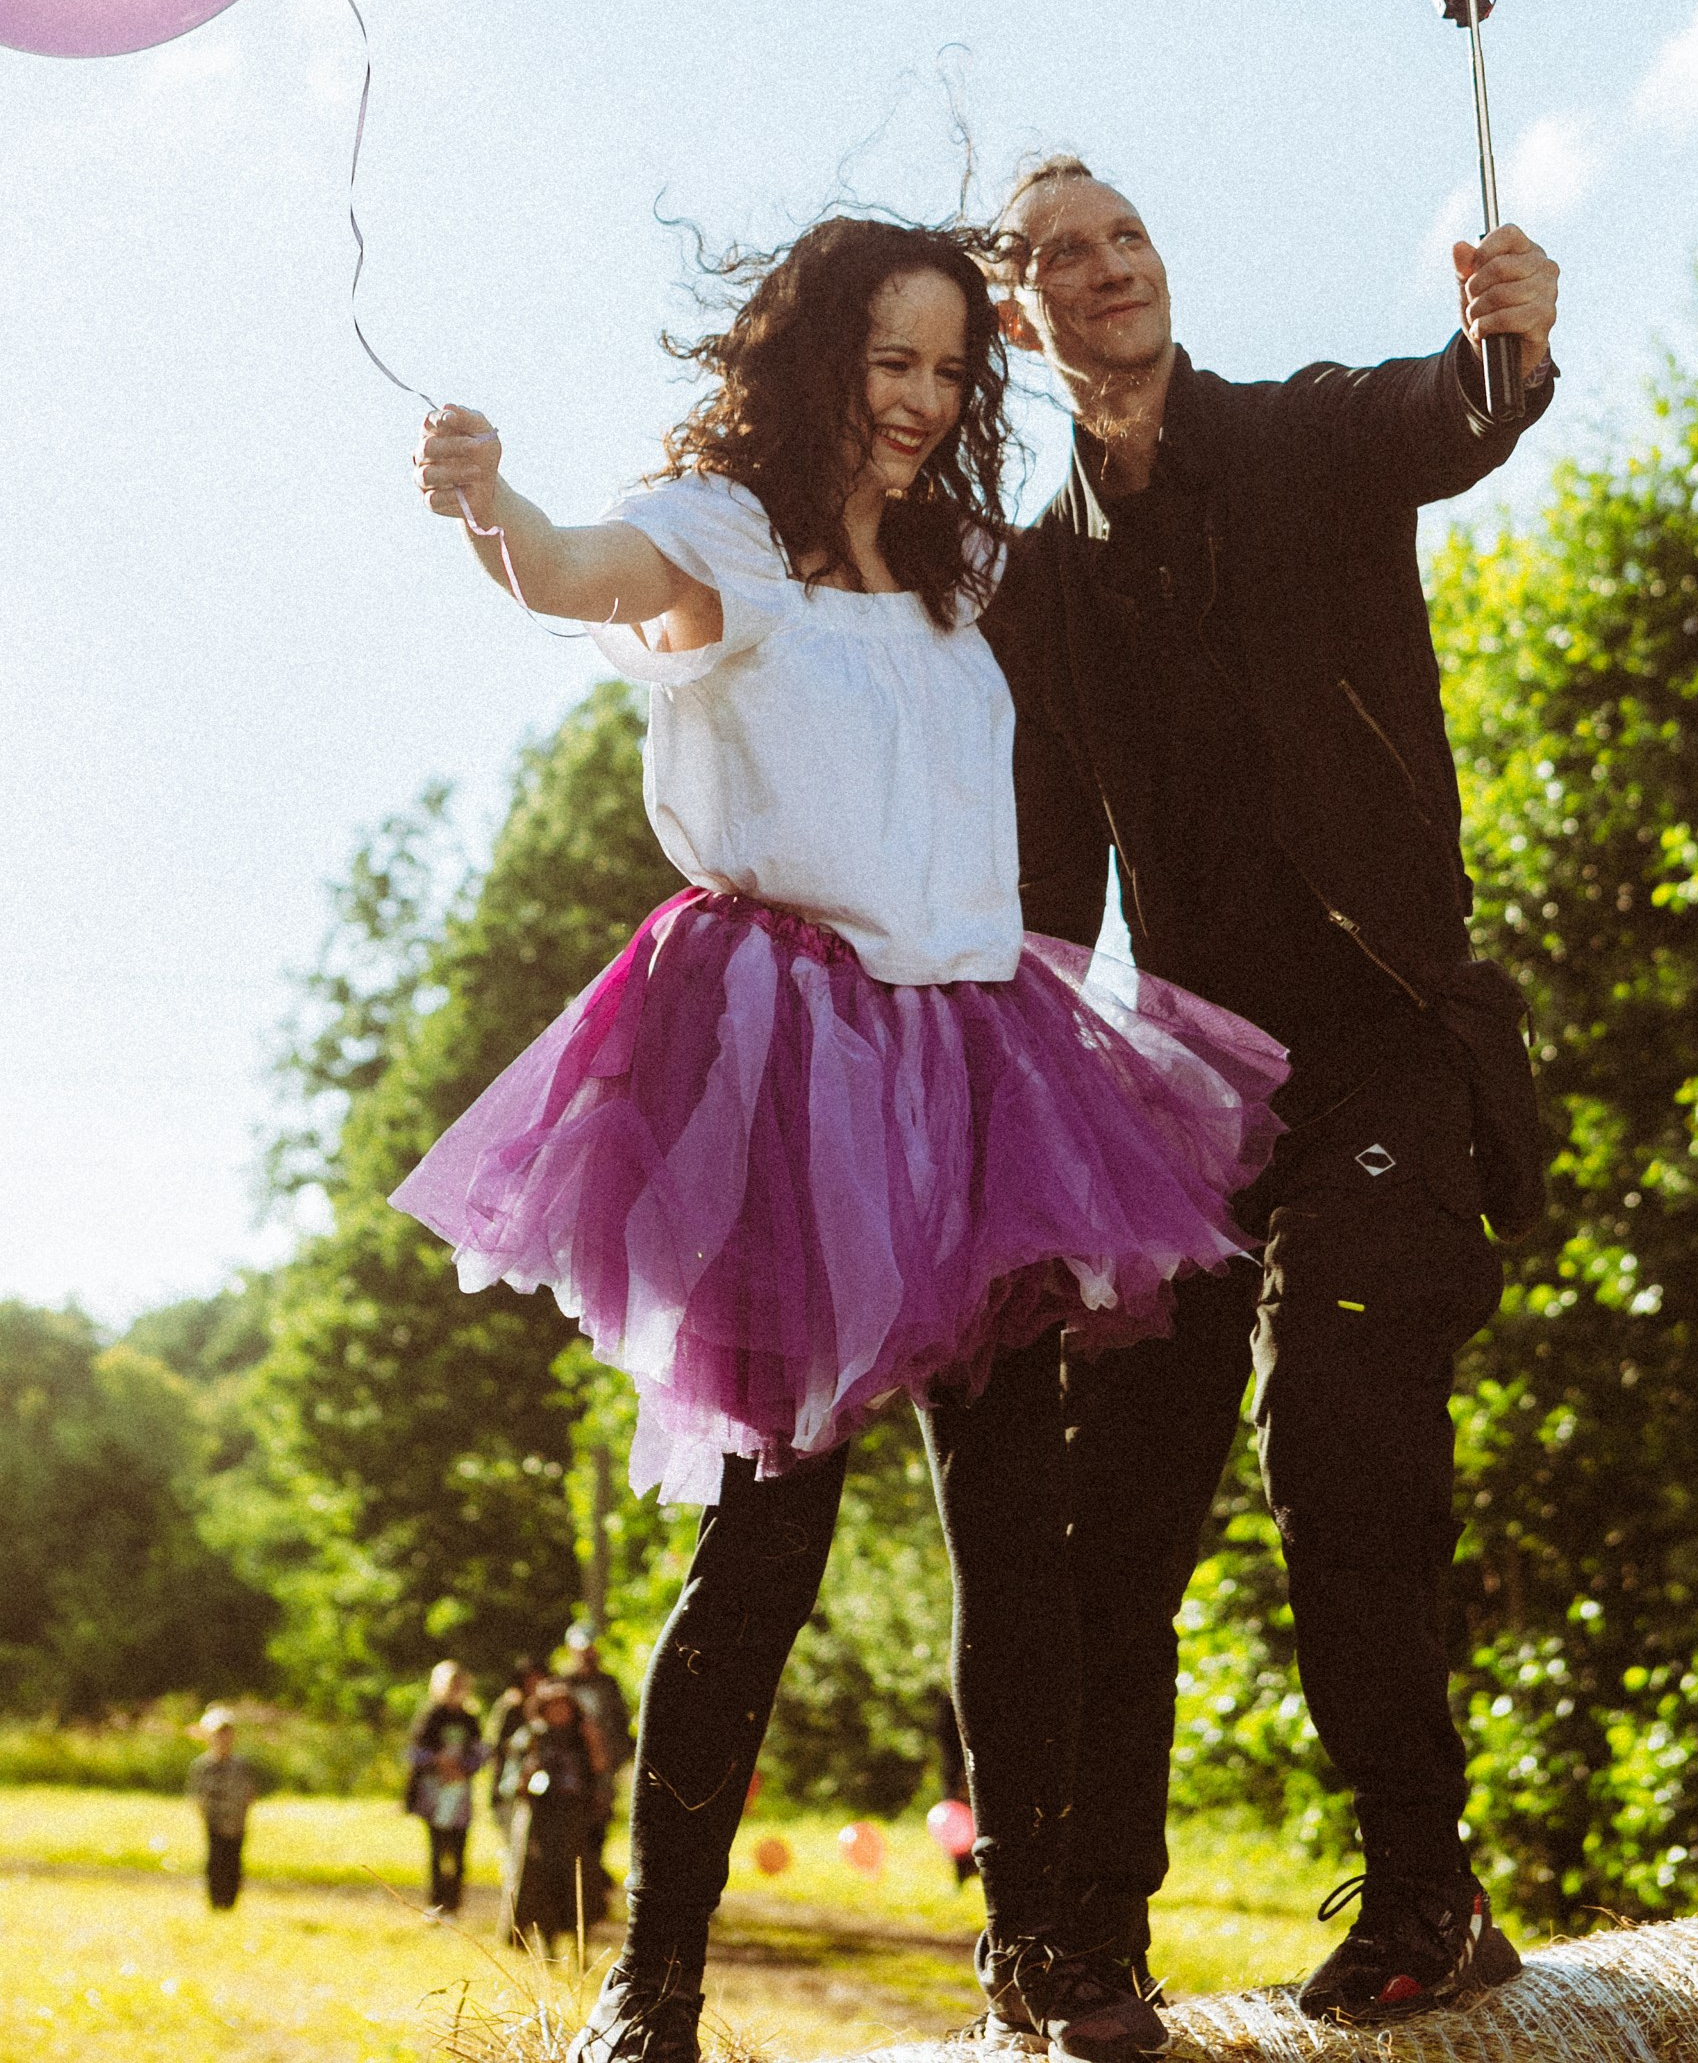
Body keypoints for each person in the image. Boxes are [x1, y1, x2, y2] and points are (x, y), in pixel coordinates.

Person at [389, 215, 1289, 2063]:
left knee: (1016, 1547)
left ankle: (1042, 1956)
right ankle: (653, 1987)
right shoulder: (723, 535)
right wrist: (493, 508)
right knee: (765, 1548)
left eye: (952, 366)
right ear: (813, 356)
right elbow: (568, 569)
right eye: (891, 358)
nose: (924, 398)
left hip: (981, 1064)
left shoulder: (963, 560)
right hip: (795, 1068)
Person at [984, 158, 1560, 2025]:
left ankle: (1424, 1891)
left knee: (1341, 1439)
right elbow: (1053, 889)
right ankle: (1087, 1933)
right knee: (1114, 1505)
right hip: (1191, 1090)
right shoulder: (1038, 586)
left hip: (1390, 1039)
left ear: (1162, 264)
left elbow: (1447, 412)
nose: (1105, 268)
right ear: (1022, 315)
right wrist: (1027, 1134)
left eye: (1127, 234)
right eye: (1059, 254)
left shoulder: (1306, 439)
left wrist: (1509, 340)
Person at [501, 1678, 606, 1951]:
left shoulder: (581, 1737)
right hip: (539, 1819)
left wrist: (593, 1740)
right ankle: (538, 1940)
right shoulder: (531, 1737)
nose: (559, 1713)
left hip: (573, 1818)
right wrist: (527, 1772)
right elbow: (512, 1782)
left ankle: (578, 1942)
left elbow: (599, 1771)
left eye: (564, 1707)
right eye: (552, 1707)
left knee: (576, 1882)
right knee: (537, 1880)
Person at [559, 1626, 631, 1930]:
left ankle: (594, 1891)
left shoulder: (608, 1685)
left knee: (599, 1827)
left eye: (590, 1650)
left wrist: (615, 1761)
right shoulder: (562, 1683)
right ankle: (573, 1897)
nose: (587, 1656)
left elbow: (621, 1726)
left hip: (602, 1771)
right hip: (571, 1773)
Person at [406, 1660, 488, 1918]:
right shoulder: (431, 1716)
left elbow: (480, 1752)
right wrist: (439, 1762)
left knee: (459, 1850)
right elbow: (415, 1752)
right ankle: (435, 1902)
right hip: (434, 1794)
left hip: (460, 1793)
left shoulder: (469, 1718)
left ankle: (454, 1903)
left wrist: (463, 1769)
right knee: (437, 1850)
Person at [185, 1705, 259, 1912]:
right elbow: (197, 1797)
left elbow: (249, 1794)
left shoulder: (241, 1765)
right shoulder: (203, 1766)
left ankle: (231, 1903)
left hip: (237, 1823)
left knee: (234, 1863)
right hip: (215, 1823)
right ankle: (216, 1902)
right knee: (216, 1863)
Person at [486, 1657, 548, 1822]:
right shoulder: (509, 1706)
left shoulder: (551, 1705)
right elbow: (495, 1744)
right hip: (510, 1779)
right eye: (530, 1679)